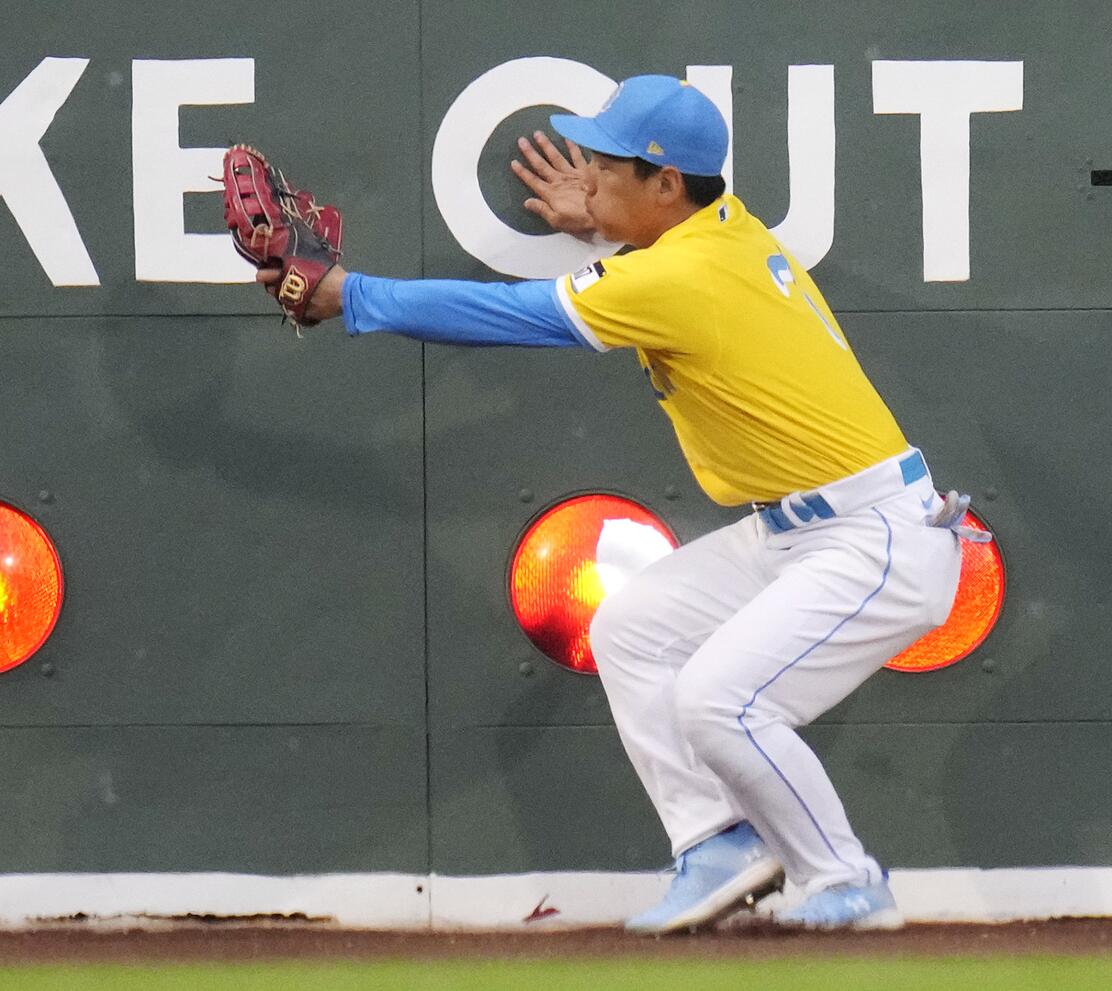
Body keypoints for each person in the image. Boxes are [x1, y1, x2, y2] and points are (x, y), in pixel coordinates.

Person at [260, 75, 976, 933]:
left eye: (607, 164)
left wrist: (352, 293)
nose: (587, 176)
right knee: (631, 628)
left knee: (722, 700)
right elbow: (662, 258)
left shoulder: (680, 276)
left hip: (872, 541)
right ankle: (717, 841)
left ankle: (845, 879)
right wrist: (608, 218)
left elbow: (513, 315)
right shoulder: (726, 226)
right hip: (805, 531)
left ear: (667, 184)